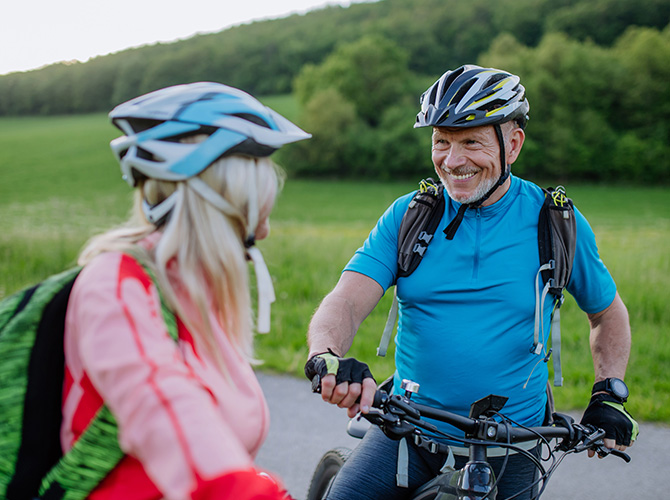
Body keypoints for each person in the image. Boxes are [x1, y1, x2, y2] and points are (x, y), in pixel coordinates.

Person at [304, 65, 638, 499]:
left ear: (512, 144)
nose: (452, 160)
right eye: (441, 142)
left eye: (471, 142)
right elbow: (346, 300)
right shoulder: (410, 216)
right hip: (408, 431)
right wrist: (327, 354)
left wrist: (609, 393)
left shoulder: (554, 224)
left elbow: (607, 314)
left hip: (514, 445)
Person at [62, 82, 310, 499]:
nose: (263, 231)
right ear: (216, 204)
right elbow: (166, 411)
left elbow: (224, 449)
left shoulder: (194, 292)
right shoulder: (116, 286)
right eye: (253, 211)